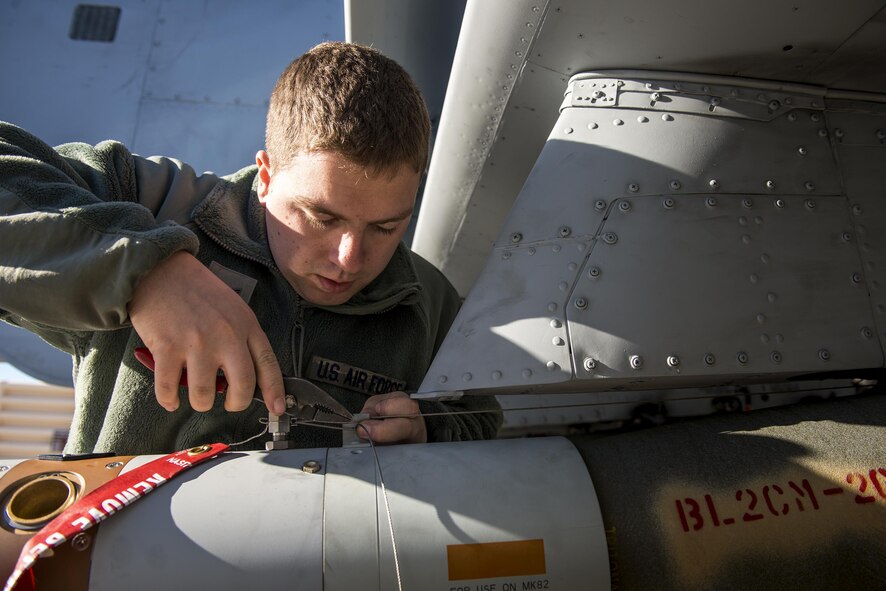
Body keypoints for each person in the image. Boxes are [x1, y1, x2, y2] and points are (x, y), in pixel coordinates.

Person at [0, 42, 501, 454]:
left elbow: (484, 420)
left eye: (386, 227)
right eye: (323, 217)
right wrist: (146, 270)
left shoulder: (430, 304)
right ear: (266, 176)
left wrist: (430, 430)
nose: (349, 259)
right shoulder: (150, 203)